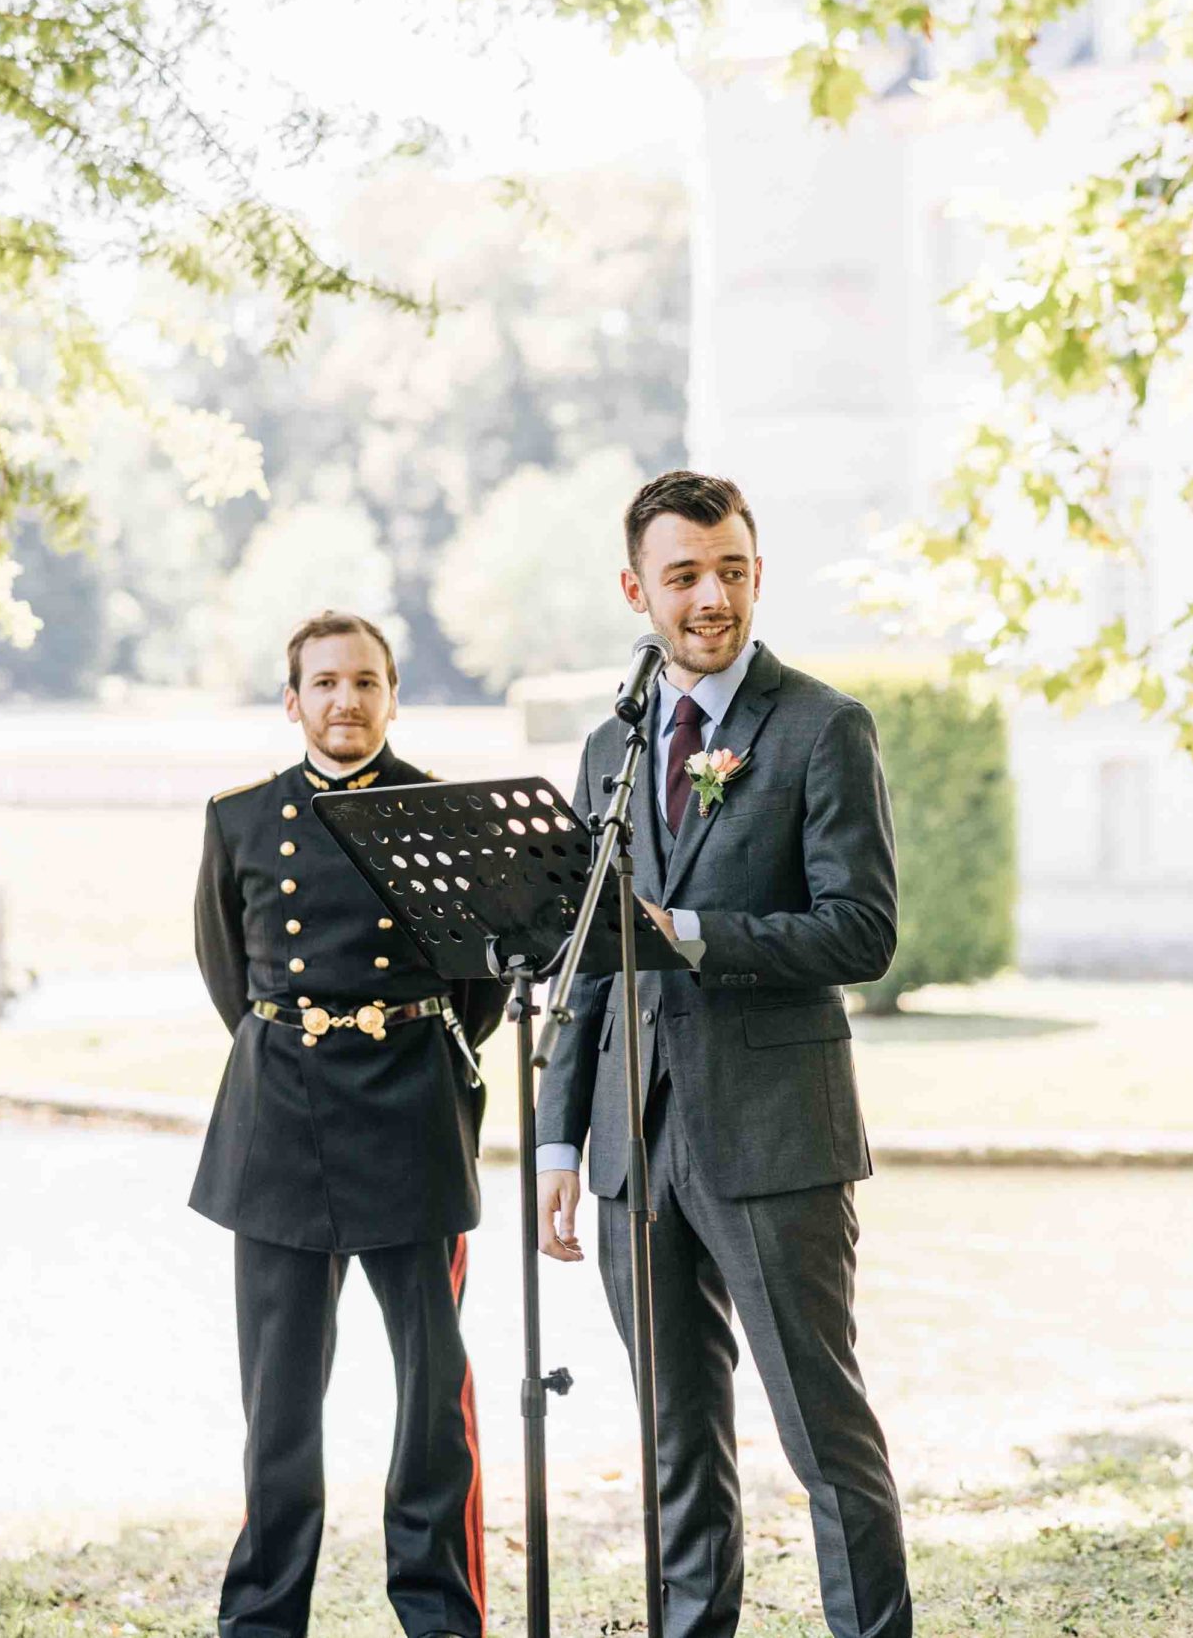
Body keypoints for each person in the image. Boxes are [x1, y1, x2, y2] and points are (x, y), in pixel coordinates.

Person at [532, 471, 912, 1638]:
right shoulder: (610, 744)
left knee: (822, 1433)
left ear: (757, 574)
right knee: (674, 1441)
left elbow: (863, 933)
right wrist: (559, 1141)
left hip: (774, 1137)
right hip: (630, 1147)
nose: (712, 597)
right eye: (686, 575)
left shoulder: (822, 727)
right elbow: (587, 956)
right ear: (635, 591)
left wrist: (692, 933)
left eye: (732, 571)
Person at [191, 611, 505, 1638]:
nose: (345, 701)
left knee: (431, 1394)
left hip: (409, 1117)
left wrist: (406, 1042)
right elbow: (230, 976)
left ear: (392, 696)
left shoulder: (445, 814)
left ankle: (439, 1614)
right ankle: (263, 1617)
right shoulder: (239, 818)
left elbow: (481, 985)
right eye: (324, 683)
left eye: (365, 682)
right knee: (278, 1403)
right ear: (293, 701)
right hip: (278, 1125)